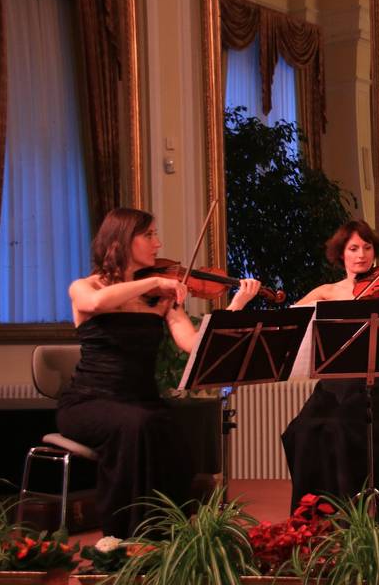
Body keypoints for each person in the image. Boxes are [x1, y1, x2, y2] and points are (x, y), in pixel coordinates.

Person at [58, 207, 261, 537]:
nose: (158, 243)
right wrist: (153, 281)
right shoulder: (85, 287)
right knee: (138, 425)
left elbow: (194, 343)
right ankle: (122, 535)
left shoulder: (162, 298)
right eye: (149, 235)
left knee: (176, 429)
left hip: (141, 402)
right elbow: (96, 305)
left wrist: (236, 306)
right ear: (123, 240)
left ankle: (166, 533)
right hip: (88, 402)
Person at [282, 219, 379, 514]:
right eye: (353, 248)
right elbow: (291, 321)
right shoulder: (327, 292)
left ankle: (355, 512)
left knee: (341, 428)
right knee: (300, 431)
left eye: (367, 247)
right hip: (334, 385)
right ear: (341, 253)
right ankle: (317, 512)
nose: (361, 254)